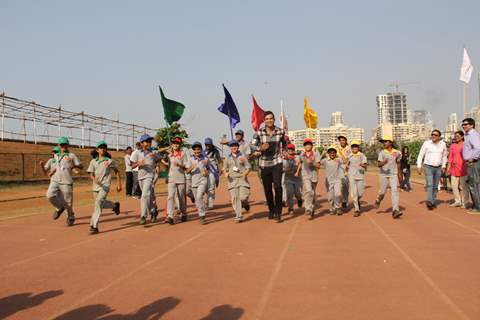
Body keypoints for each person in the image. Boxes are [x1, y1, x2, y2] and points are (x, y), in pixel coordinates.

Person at [253, 111, 287, 222]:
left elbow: (285, 143)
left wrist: (285, 152)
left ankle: (278, 212)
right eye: (267, 119)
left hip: (277, 162)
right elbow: (252, 146)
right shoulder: (259, 133)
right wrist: (259, 149)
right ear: (264, 121)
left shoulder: (280, 132)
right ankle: (271, 209)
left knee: (278, 186)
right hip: (264, 164)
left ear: (274, 119)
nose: (269, 120)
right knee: (267, 190)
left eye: (271, 118)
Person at [86, 141, 121, 234]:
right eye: (100, 147)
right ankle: (114, 205)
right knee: (99, 205)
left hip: (105, 186)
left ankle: (94, 226)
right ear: (97, 150)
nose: (103, 149)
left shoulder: (109, 161)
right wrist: (94, 179)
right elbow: (90, 174)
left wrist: (119, 184)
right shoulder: (93, 161)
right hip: (95, 186)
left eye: (104, 147)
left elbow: (117, 171)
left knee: (98, 203)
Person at [46, 136, 83, 226]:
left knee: (68, 201)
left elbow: (81, 166)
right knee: (49, 195)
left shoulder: (71, 156)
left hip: (67, 181)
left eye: (65, 145)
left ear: (68, 145)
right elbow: (55, 166)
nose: (63, 147)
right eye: (61, 145)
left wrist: (74, 166)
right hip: (55, 180)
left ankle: (70, 217)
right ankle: (59, 207)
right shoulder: (56, 155)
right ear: (59, 145)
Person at [130, 134, 162, 225]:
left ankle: (143, 216)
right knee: (149, 195)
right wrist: (138, 164)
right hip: (140, 177)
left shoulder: (154, 152)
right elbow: (131, 166)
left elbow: (159, 160)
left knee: (144, 195)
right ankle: (153, 211)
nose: (149, 143)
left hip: (150, 176)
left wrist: (157, 156)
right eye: (147, 141)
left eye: (150, 141)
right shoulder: (137, 153)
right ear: (141, 143)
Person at [416, 130, 448, 210]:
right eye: (432, 134)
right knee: (430, 184)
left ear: (439, 137)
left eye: (435, 135)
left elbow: (444, 156)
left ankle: (433, 201)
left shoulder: (443, 144)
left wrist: (444, 166)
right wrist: (419, 166)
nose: (433, 136)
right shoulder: (426, 143)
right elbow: (420, 155)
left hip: (438, 167)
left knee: (435, 186)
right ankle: (429, 202)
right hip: (428, 167)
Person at [375, 136, 403, 219]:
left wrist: (400, 174)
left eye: (385, 141)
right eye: (383, 142)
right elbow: (378, 164)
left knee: (394, 191)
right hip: (383, 174)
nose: (384, 143)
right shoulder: (382, 153)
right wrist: (383, 162)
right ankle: (378, 199)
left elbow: (398, 163)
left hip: (393, 174)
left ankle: (395, 210)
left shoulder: (397, 152)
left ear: (390, 142)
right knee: (382, 192)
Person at [223, 140, 251, 223]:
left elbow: (248, 167)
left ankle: (245, 203)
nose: (234, 147)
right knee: (235, 198)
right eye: (232, 146)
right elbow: (224, 168)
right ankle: (238, 216)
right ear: (230, 148)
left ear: (238, 147)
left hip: (242, 179)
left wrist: (245, 174)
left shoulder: (243, 156)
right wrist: (225, 173)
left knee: (243, 197)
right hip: (232, 180)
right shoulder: (227, 158)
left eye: (235, 146)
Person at [163, 137, 189, 224]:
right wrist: (167, 176)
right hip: (171, 178)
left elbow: (186, 167)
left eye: (177, 143)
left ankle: (184, 213)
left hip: (181, 178)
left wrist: (179, 165)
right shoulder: (169, 155)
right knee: (170, 196)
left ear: (180, 145)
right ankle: (170, 216)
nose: (175, 145)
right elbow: (166, 166)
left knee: (181, 197)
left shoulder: (183, 154)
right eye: (174, 143)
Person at [185, 142, 210, 224]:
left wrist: (206, 173)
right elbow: (187, 171)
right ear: (193, 151)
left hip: (203, 180)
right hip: (194, 182)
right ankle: (201, 211)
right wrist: (191, 167)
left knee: (199, 196)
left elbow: (208, 170)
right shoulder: (190, 159)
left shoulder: (205, 159)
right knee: (197, 200)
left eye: (198, 150)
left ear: (201, 150)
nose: (197, 152)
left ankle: (202, 215)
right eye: (195, 151)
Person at [297, 138, 321, 219]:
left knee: (313, 194)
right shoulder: (302, 154)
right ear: (304, 146)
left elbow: (318, 165)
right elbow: (300, 162)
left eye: (309, 144)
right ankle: (308, 208)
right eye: (306, 144)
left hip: (314, 175)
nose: (308, 146)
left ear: (311, 145)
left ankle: (311, 209)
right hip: (305, 175)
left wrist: (312, 163)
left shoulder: (315, 152)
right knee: (309, 191)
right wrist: (297, 171)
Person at [461, 117, 480, 213]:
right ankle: (476, 205)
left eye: (466, 124)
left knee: (474, 185)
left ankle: (477, 207)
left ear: (472, 125)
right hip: (470, 163)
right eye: (463, 124)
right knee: (473, 184)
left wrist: (473, 158)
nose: (464, 126)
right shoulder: (467, 135)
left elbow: (478, 148)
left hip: (473, 163)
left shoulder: (473, 135)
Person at [447, 131, 469, 208]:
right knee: (454, 186)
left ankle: (465, 202)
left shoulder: (466, 145)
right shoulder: (452, 145)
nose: (456, 137)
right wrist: (448, 168)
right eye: (455, 136)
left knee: (464, 187)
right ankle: (457, 201)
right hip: (454, 168)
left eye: (458, 136)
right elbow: (450, 157)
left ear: (462, 137)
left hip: (464, 168)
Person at [320, 146, 344, 215]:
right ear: (328, 153)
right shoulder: (325, 160)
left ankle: (337, 207)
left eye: (333, 153)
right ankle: (332, 208)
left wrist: (340, 152)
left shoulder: (338, 160)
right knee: (330, 196)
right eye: (330, 153)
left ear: (335, 154)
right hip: (329, 181)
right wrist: (322, 154)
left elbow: (345, 161)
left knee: (338, 194)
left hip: (337, 180)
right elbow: (318, 162)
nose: (332, 154)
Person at [346, 140, 367, 216]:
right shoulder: (349, 155)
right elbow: (346, 164)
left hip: (360, 175)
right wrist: (346, 171)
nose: (355, 148)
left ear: (358, 147)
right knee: (354, 193)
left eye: (356, 146)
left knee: (360, 193)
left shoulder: (362, 155)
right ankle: (356, 209)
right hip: (351, 176)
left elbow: (365, 165)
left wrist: (362, 165)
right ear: (351, 148)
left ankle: (357, 200)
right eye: (353, 146)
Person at [283, 143, 303, 215]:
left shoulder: (297, 157)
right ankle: (290, 208)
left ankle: (299, 199)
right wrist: (284, 169)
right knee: (289, 193)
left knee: (298, 193)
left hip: (297, 179)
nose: (290, 151)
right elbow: (281, 168)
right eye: (289, 149)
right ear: (287, 150)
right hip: (288, 179)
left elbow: (300, 163)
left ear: (294, 150)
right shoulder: (284, 158)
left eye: (292, 149)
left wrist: (297, 172)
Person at [204, 137, 222, 209]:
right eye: (206, 144)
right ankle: (208, 200)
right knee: (204, 188)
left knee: (211, 187)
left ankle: (210, 204)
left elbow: (219, 161)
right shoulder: (202, 151)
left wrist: (220, 170)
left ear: (211, 144)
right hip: (205, 172)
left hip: (213, 172)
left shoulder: (216, 152)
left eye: (208, 144)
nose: (207, 145)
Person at [336, 135, 351, 209]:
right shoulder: (336, 148)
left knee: (346, 186)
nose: (342, 141)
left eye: (343, 140)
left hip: (347, 168)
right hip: (338, 169)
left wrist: (347, 168)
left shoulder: (349, 149)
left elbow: (348, 160)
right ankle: (340, 202)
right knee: (339, 186)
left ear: (346, 141)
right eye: (340, 140)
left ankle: (345, 200)